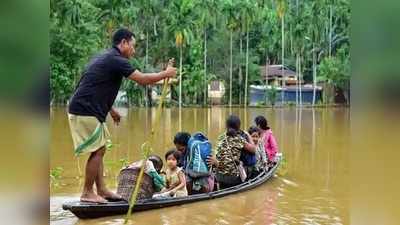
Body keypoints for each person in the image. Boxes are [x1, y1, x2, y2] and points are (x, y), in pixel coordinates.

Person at [67, 28, 177, 203]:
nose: (133, 50)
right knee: (98, 150)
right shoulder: (116, 59)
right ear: (123, 43)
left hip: (88, 108)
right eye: (132, 46)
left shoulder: (106, 57)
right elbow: (142, 79)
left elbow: (95, 85)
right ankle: (87, 192)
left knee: (100, 148)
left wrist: (111, 110)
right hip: (85, 109)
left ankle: (101, 190)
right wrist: (166, 74)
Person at [213, 115, 256, 189]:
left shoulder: (220, 137)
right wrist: (248, 135)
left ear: (226, 126)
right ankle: (247, 181)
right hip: (232, 179)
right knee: (250, 163)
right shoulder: (239, 139)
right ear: (238, 127)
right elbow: (254, 149)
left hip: (218, 176)